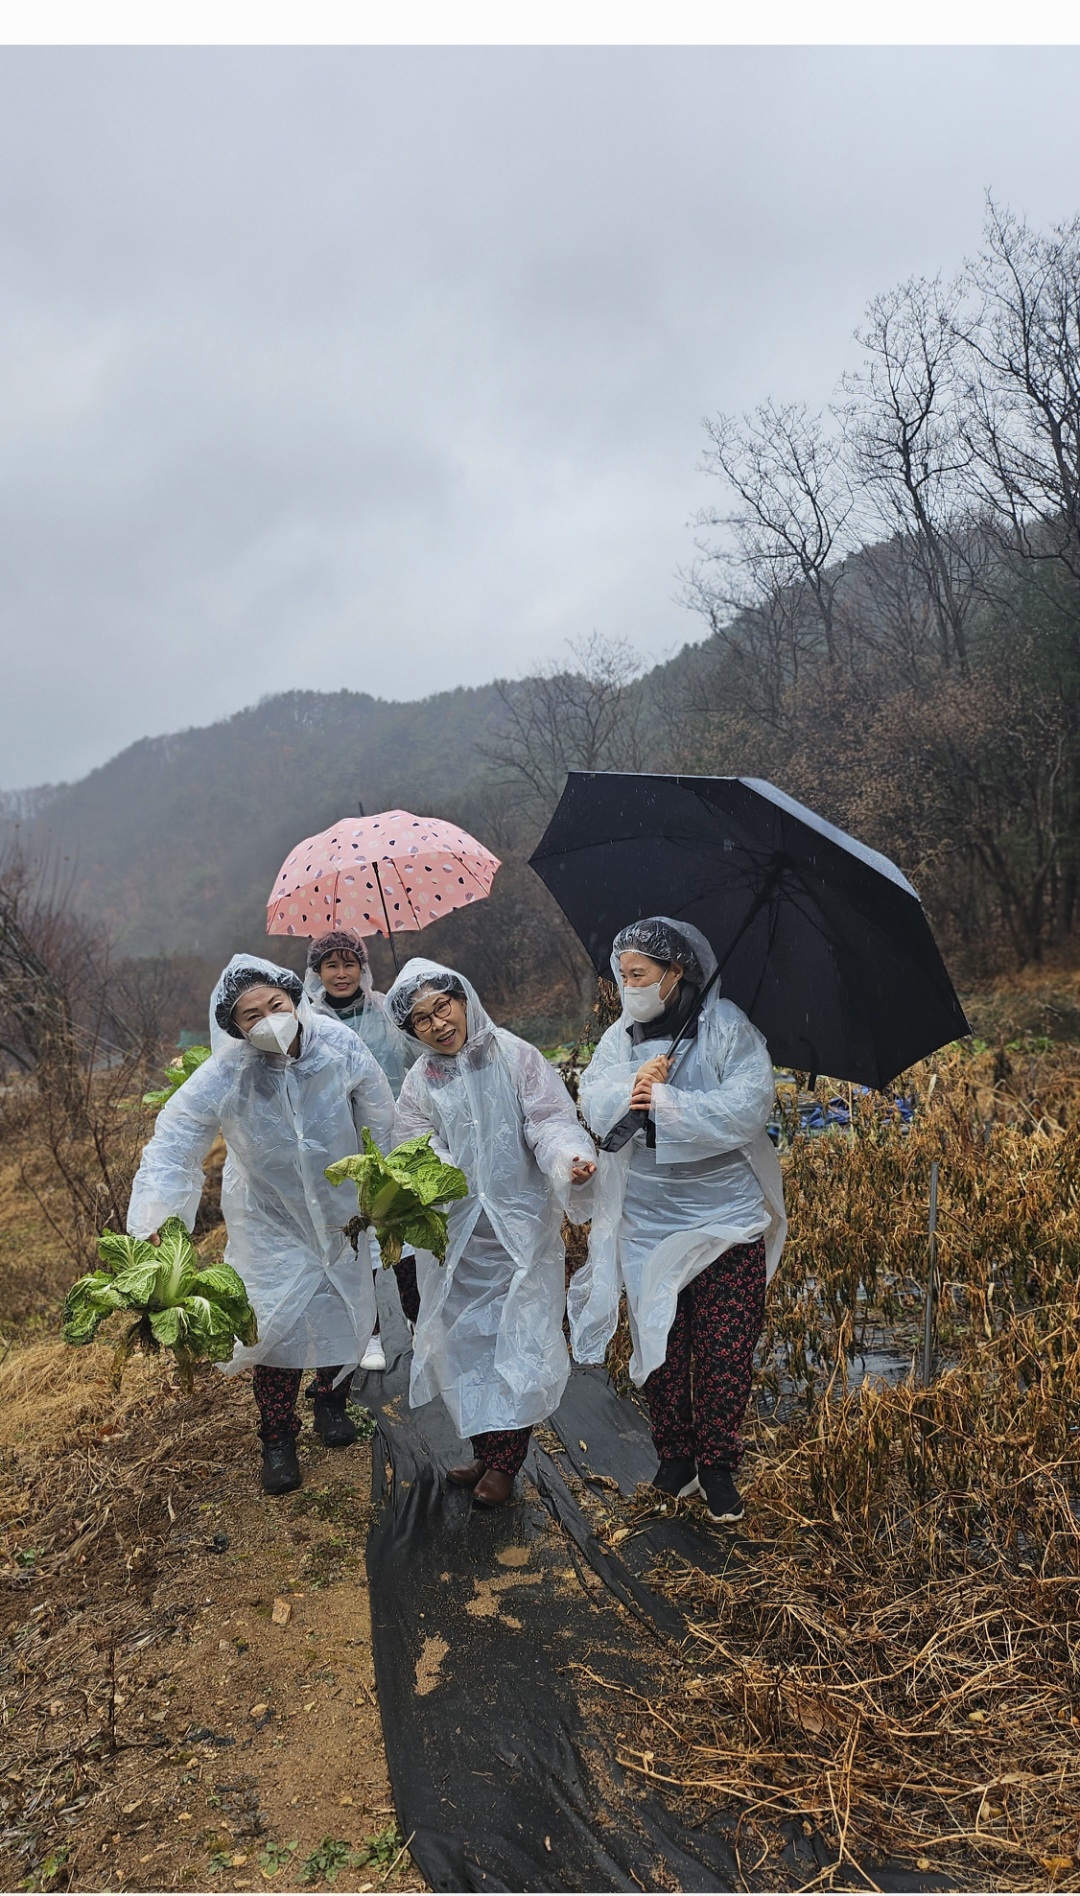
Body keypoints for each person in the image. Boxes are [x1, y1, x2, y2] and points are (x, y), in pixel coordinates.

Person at [127, 953, 396, 1496]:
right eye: (252, 1016)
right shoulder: (227, 1073)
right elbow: (175, 1141)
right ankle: (277, 1438)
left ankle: (330, 1402)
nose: (269, 1020)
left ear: (295, 999)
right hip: (269, 1221)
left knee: (344, 1308)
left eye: (276, 1005)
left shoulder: (339, 1046)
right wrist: (157, 1217)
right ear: (235, 1027)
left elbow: (379, 1115)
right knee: (273, 1329)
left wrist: (390, 1187)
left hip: (341, 1212)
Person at [569, 917, 786, 1525]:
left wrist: (666, 1100)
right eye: (622, 975)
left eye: (639, 974)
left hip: (726, 1217)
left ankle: (717, 1465)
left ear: (676, 972)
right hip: (648, 1216)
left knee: (724, 1349)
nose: (628, 987)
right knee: (659, 1341)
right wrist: (632, 1085)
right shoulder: (622, 1036)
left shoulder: (726, 1028)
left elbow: (748, 1107)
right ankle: (675, 1457)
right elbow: (594, 1095)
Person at [386, 957, 597, 1508]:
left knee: (515, 1340)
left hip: (517, 1234)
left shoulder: (514, 1056)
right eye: (422, 1019)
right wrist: (442, 1173)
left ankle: (505, 1463)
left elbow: (549, 1120)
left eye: (443, 1006)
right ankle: (485, 1448)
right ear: (411, 1031)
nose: (438, 1023)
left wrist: (568, 1159)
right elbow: (412, 1146)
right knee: (465, 1344)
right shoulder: (420, 1081)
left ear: (464, 1000)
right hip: (455, 1238)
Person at [305, 929, 419, 1369]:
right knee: (353, 1238)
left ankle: (417, 1318)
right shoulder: (308, 1021)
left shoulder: (386, 1010)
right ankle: (368, 1333)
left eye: (349, 963)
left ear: (362, 967)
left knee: (403, 1230)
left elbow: (413, 1057)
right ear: (317, 972)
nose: (341, 973)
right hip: (337, 1146)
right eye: (331, 965)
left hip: (391, 1135)